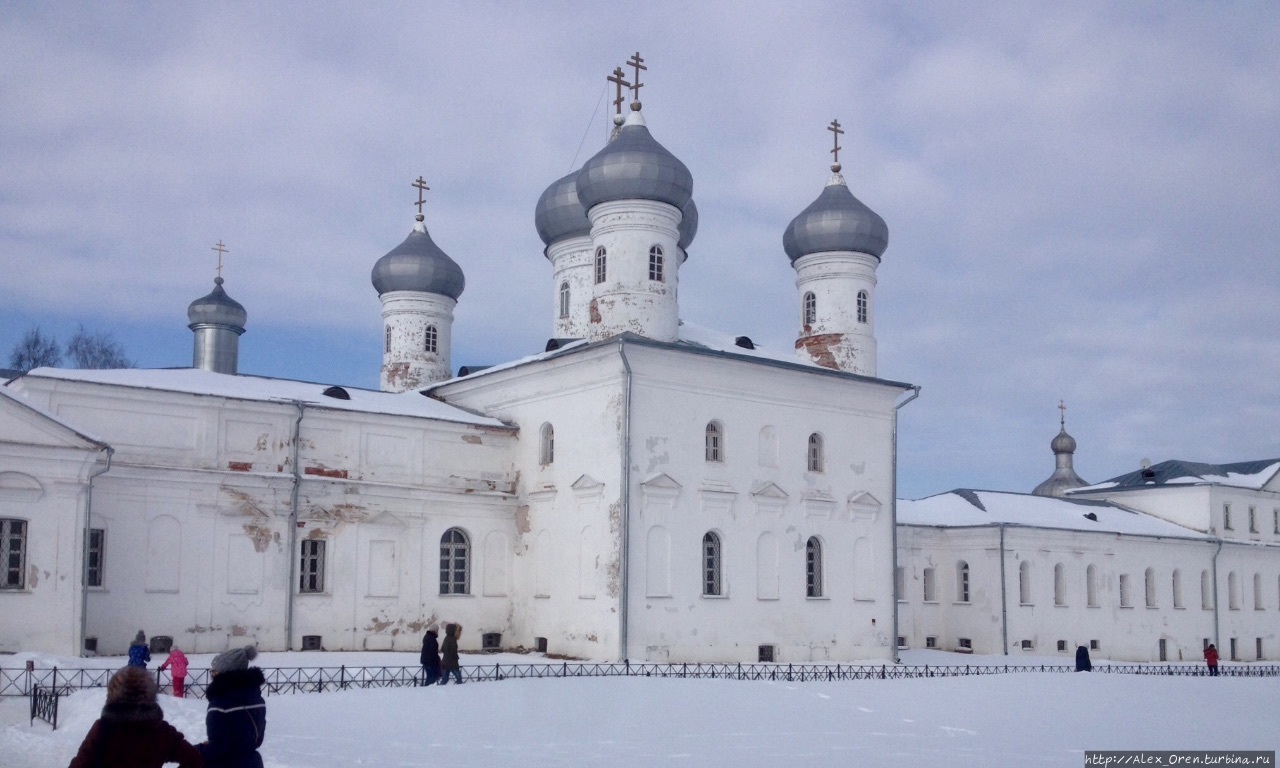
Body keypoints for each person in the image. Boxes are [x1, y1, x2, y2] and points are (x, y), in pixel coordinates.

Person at [68, 666, 202, 768]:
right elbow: (193, 759)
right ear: (149, 695)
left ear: (113, 695)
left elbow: (80, 764)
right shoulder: (163, 731)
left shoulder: (102, 729)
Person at [197, 645, 266, 768]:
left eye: (214, 671)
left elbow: (218, 749)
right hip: (252, 762)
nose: (212, 674)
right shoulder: (257, 699)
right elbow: (257, 738)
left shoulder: (220, 704)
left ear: (225, 672)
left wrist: (196, 750)